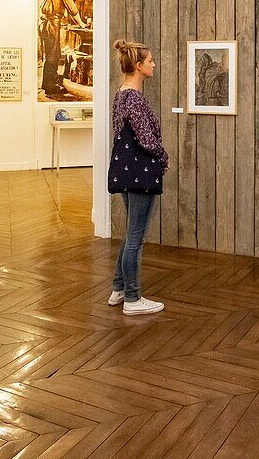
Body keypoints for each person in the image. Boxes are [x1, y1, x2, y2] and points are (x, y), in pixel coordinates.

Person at [108, 39, 169, 315]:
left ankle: (119, 288)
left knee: (131, 235)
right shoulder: (133, 97)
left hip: (126, 172)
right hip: (139, 175)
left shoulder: (120, 94)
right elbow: (145, 138)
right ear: (137, 65)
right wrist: (163, 157)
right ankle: (133, 299)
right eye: (150, 61)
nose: (153, 64)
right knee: (136, 237)